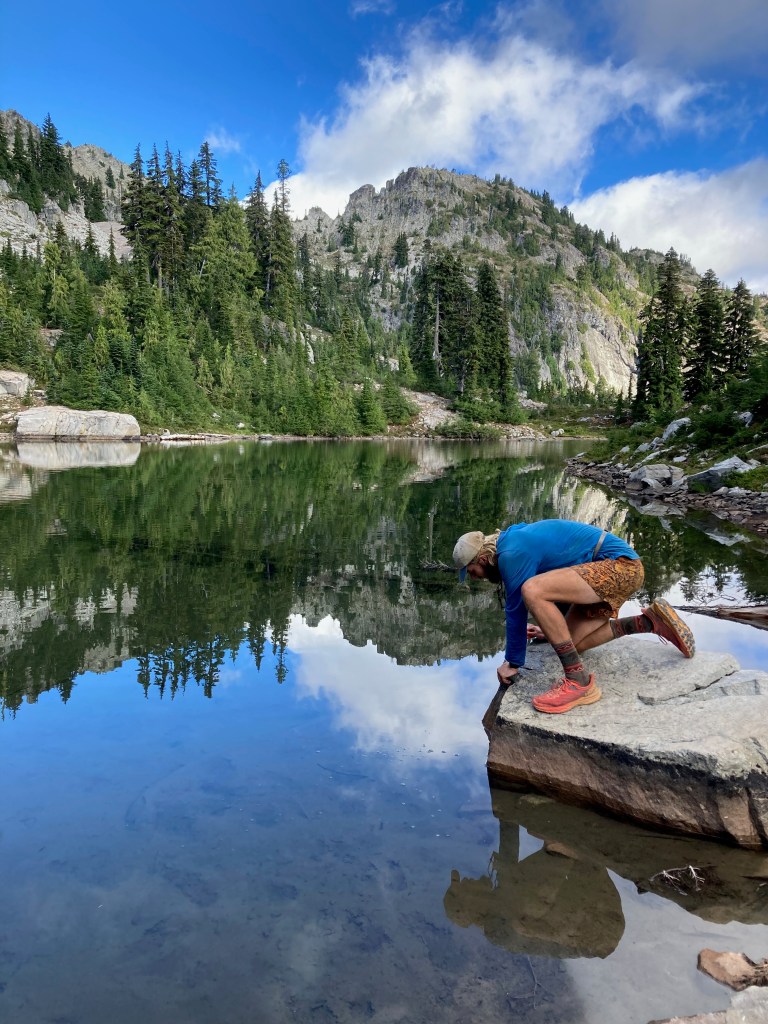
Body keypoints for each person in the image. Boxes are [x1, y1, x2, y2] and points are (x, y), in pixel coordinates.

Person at [453, 520, 695, 714]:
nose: (474, 577)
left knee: (531, 590)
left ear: (482, 559)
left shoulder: (511, 552)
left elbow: (516, 610)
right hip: (601, 575)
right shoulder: (512, 541)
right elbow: (557, 581)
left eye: (472, 571)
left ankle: (578, 680)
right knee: (572, 644)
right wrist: (550, 629)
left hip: (620, 567)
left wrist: (512, 662)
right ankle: (648, 622)